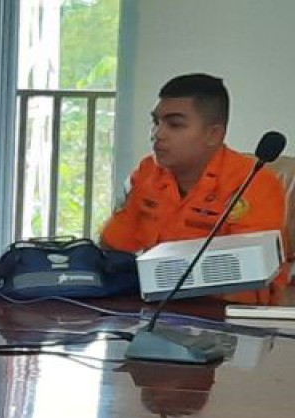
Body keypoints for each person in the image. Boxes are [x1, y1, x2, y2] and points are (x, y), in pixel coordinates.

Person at [101, 73, 289, 304]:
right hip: (147, 304)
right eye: (156, 122)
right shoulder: (148, 172)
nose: (157, 134)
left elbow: (245, 279)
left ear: (214, 134)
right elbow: (114, 247)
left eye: (175, 125)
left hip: (223, 316)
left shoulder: (253, 182)